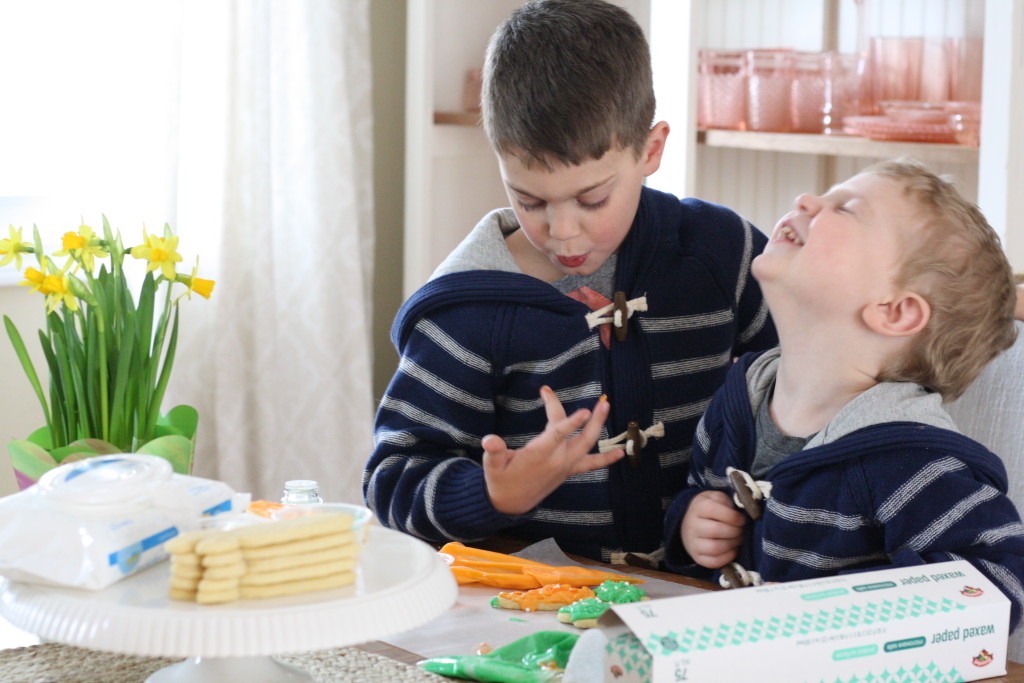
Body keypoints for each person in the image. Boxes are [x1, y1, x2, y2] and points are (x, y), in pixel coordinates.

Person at [363, 0, 776, 564]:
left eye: (592, 198)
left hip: (698, 601)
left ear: (651, 150)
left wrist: (732, 490)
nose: (562, 232)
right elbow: (391, 482)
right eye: (529, 200)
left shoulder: (719, 253)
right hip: (528, 613)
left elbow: (803, 384)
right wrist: (492, 493)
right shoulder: (467, 309)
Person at [664, 159, 1024, 630]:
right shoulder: (737, 403)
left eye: (846, 209)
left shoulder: (909, 460)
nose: (806, 201)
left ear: (893, 312)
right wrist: (691, 526)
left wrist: (844, 606)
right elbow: (698, 505)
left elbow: (999, 582)